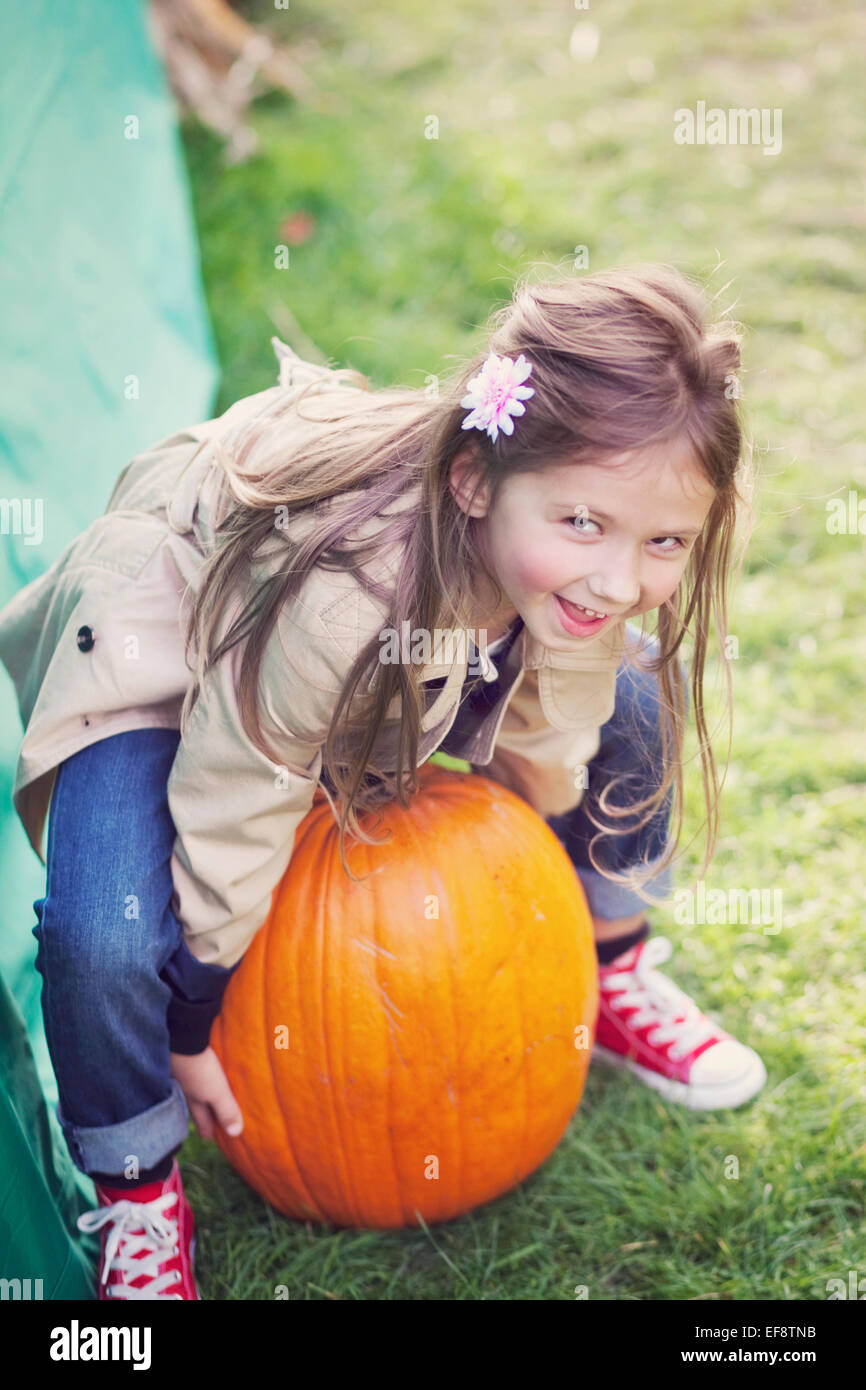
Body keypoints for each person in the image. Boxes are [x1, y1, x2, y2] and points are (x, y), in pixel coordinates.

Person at [0, 263, 766, 1300]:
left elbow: (562, 732)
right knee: (106, 931)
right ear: (473, 479)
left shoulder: (568, 575)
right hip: (176, 637)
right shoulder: (350, 598)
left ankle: (612, 968)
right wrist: (191, 1021)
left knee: (639, 692)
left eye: (662, 540)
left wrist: (535, 897)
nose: (620, 578)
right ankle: (135, 1183)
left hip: (375, 642)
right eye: (582, 523)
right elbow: (237, 795)